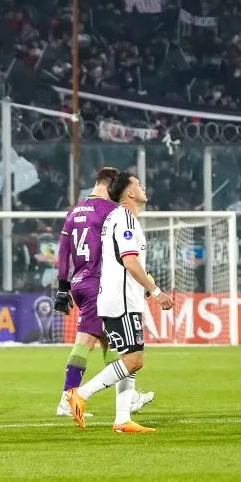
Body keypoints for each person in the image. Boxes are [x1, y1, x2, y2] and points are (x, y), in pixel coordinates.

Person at [68, 173, 172, 433]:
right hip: (121, 299)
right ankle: (80, 394)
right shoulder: (124, 218)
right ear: (128, 193)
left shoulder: (116, 218)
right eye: (137, 184)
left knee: (129, 358)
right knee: (134, 360)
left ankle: (123, 419)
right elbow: (129, 260)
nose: (142, 187)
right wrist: (156, 291)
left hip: (123, 297)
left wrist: (144, 287)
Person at [53, 167, 154, 419]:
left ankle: (128, 399)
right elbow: (122, 251)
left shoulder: (74, 211)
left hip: (78, 281)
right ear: (110, 185)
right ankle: (68, 398)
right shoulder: (113, 212)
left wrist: (62, 288)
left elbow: (63, 252)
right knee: (85, 341)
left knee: (109, 341)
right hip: (99, 283)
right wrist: (148, 281)